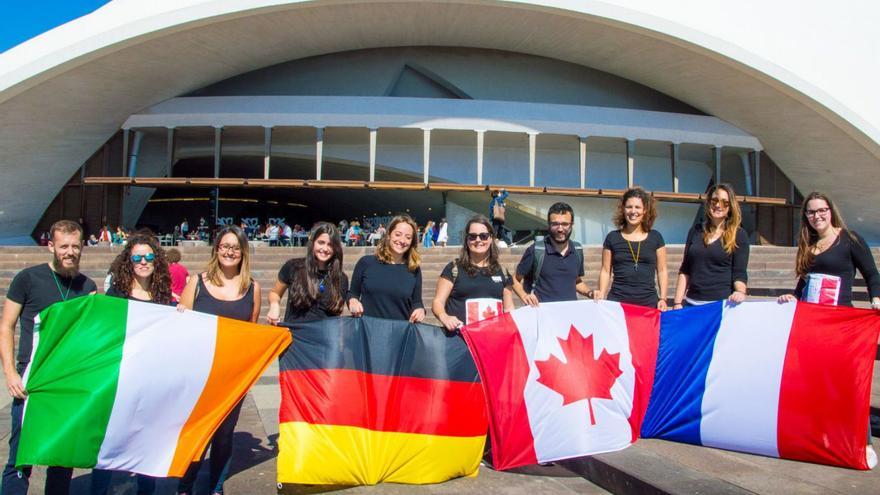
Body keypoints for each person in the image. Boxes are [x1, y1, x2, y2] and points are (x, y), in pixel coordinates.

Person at [0, 220, 97, 495]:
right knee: (20, 458)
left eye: (75, 246)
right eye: (64, 246)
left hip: (67, 385)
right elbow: (6, 326)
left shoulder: (87, 286)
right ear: (51, 246)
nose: (70, 252)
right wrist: (10, 373)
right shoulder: (28, 278)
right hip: (32, 381)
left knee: (62, 460)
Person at [176, 225, 260, 495]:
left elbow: (251, 331)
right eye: (224, 246)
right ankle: (185, 485)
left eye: (235, 247)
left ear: (243, 252)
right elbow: (182, 321)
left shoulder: (252, 287)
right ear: (216, 249)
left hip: (233, 375)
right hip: (198, 372)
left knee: (224, 435)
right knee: (196, 432)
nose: (229, 252)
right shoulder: (197, 282)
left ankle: (216, 486)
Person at [92, 234, 171, 494]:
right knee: (110, 442)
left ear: (156, 260)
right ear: (129, 261)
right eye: (137, 257)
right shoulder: (117, 294)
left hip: (151, 381)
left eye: (149, 256)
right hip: (122, 378)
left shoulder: (163, 296)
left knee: (147, 444)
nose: (143, 262)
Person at [778, 192, 880, 308]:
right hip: (810, 316)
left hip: (839, 317)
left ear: (830, 211)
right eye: (811, 212)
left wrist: (876, 299)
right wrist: (794, 297)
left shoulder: (850, 239)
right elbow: (804, 281)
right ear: (806, 215)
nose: (816, 216)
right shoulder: (807, 244)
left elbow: (871, 274)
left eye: (822, 210)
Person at [673, 183, 750, 309]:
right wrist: (677, 302)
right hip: (692, 304)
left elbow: (739, 272)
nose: (718, 205)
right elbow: (685, 269)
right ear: (708, 203)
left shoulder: (739, 235)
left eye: (724, 202)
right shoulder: (695, 231)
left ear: (730, 206)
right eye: (714, 201)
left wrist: (740, 291)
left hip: (720, 307)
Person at [432, 215, 514, 331]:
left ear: (491, 239)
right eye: (472, 236)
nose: (478, 240)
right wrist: (444, 317)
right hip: (459, 342)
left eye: (484, 236)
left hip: (492, 342)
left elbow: (509, 309)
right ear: (467, 240)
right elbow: (438, 302)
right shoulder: (453, 269)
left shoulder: (503, 273)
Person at [595, 187, 668, 309]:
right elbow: (605, 270)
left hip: (648, 304)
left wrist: (663, 298)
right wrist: (601, 292)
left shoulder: (656, 237)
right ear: (623, 209)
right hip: (618, 303)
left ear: (644, 210)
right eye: (629, 207)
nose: (633, 211)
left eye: (637, 207)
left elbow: (662, 270)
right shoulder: (612, 238)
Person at [511, 202, 593, 306]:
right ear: (549, 224)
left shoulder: (577, 250)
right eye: (555, 224)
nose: (560, 229)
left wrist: (590, 293)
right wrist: (525, 296)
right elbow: (514, 279)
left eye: (565, 224)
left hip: (570, 316)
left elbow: (576, 281)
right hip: (542, 315)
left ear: (572, 225)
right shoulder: (536, 250)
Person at [267, 222, 348, 325]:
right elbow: (275, 293)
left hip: (324, 338)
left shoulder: (341, 278)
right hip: (296, 336)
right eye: (321, 242)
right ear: (313, 242)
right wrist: (274, 305)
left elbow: (338, 316)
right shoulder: (293, 267)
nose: (325, 249)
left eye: (330, 245)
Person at [348, 215, 425, 322]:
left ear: (412, 242)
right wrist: (353, 301)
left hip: (400, 333)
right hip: (367, 331)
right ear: (389, 235)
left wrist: (420, 310)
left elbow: (417, 302)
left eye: (408, 237)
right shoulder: (366, 263)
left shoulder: (414, 269)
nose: (402, 240)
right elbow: (352, 294)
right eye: (398, 235)